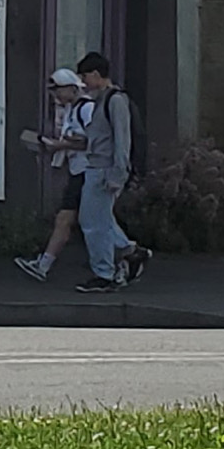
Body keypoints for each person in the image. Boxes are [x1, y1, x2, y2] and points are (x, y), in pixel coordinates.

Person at [71, 52, 150, 292]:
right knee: (96, 220)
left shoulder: (114, 101)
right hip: (98, 167)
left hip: (105, 169)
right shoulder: (104, 100)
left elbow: (121, 140)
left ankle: (104, 273)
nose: (84, 82)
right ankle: (130, 252)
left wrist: (118, 174)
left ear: (96, 75)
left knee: (95, 224)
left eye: (85, 76)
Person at [12, 69, 90, 281]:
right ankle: (44, 264)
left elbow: (91, 141)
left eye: (58, 90)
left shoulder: (86, 109)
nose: (55, 95)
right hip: (78, 171)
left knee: (86, 221)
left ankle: (128, 253)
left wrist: (57, 145)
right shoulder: (72, 110)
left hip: (87, 172)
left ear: (73, 88)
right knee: (73, 219)